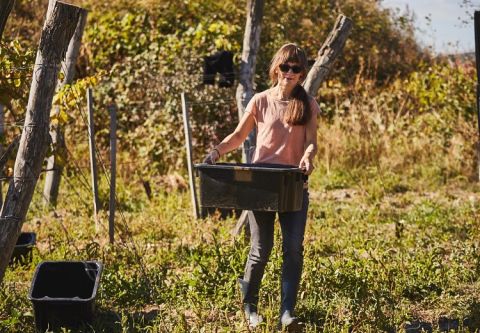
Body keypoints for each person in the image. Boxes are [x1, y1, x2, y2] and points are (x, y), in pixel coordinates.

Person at [203, 43, 319, 330]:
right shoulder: (260, 101)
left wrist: (307, 157)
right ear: (275, 69)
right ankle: (250, 309)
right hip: (262, 184)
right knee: (260, 248)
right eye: (284, 67)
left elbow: (311, 142)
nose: (289, 73)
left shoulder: (308, 104)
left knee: (293, 249)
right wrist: (216, 152)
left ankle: (287, 313)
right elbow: (238, 136)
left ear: (302, 73)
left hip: (292, 184)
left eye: (296, 69)